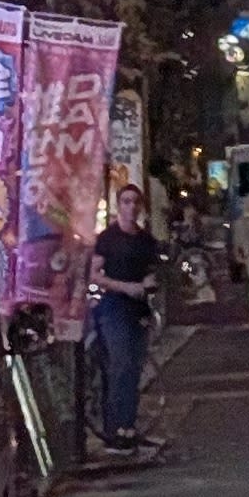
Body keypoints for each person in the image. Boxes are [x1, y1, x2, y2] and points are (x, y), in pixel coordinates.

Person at [87, 181, 162, 450]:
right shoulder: (107, 239)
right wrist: (124, 287)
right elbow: (94, 274)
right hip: (113, 308)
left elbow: (152, 271)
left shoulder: (146, 240)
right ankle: (113, 428)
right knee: (120, 365)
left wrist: (148, 282)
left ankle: (128, 427)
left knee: (134, 368)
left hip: (138, 308)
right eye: (126, 202)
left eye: (135, 202)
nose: (131, 207)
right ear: (119, 206)